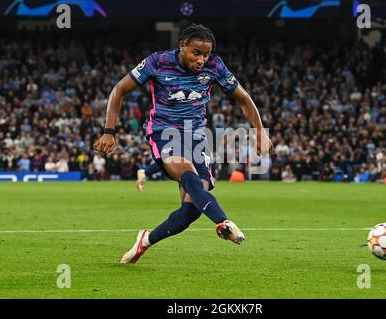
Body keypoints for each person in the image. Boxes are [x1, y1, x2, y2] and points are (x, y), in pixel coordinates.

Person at [93, 24, 272, 264]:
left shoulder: (215, 66)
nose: (201, 59)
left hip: (196, 136)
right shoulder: (158, 61)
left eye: (205, 54)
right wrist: (108, 131)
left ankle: (145, 240)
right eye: (196, 53)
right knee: (189, 174)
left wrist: (259, 131)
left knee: (190, 212)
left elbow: (243, 98)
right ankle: (224, 221)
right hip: (164, 132)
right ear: (182, 46)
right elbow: (119, 90)